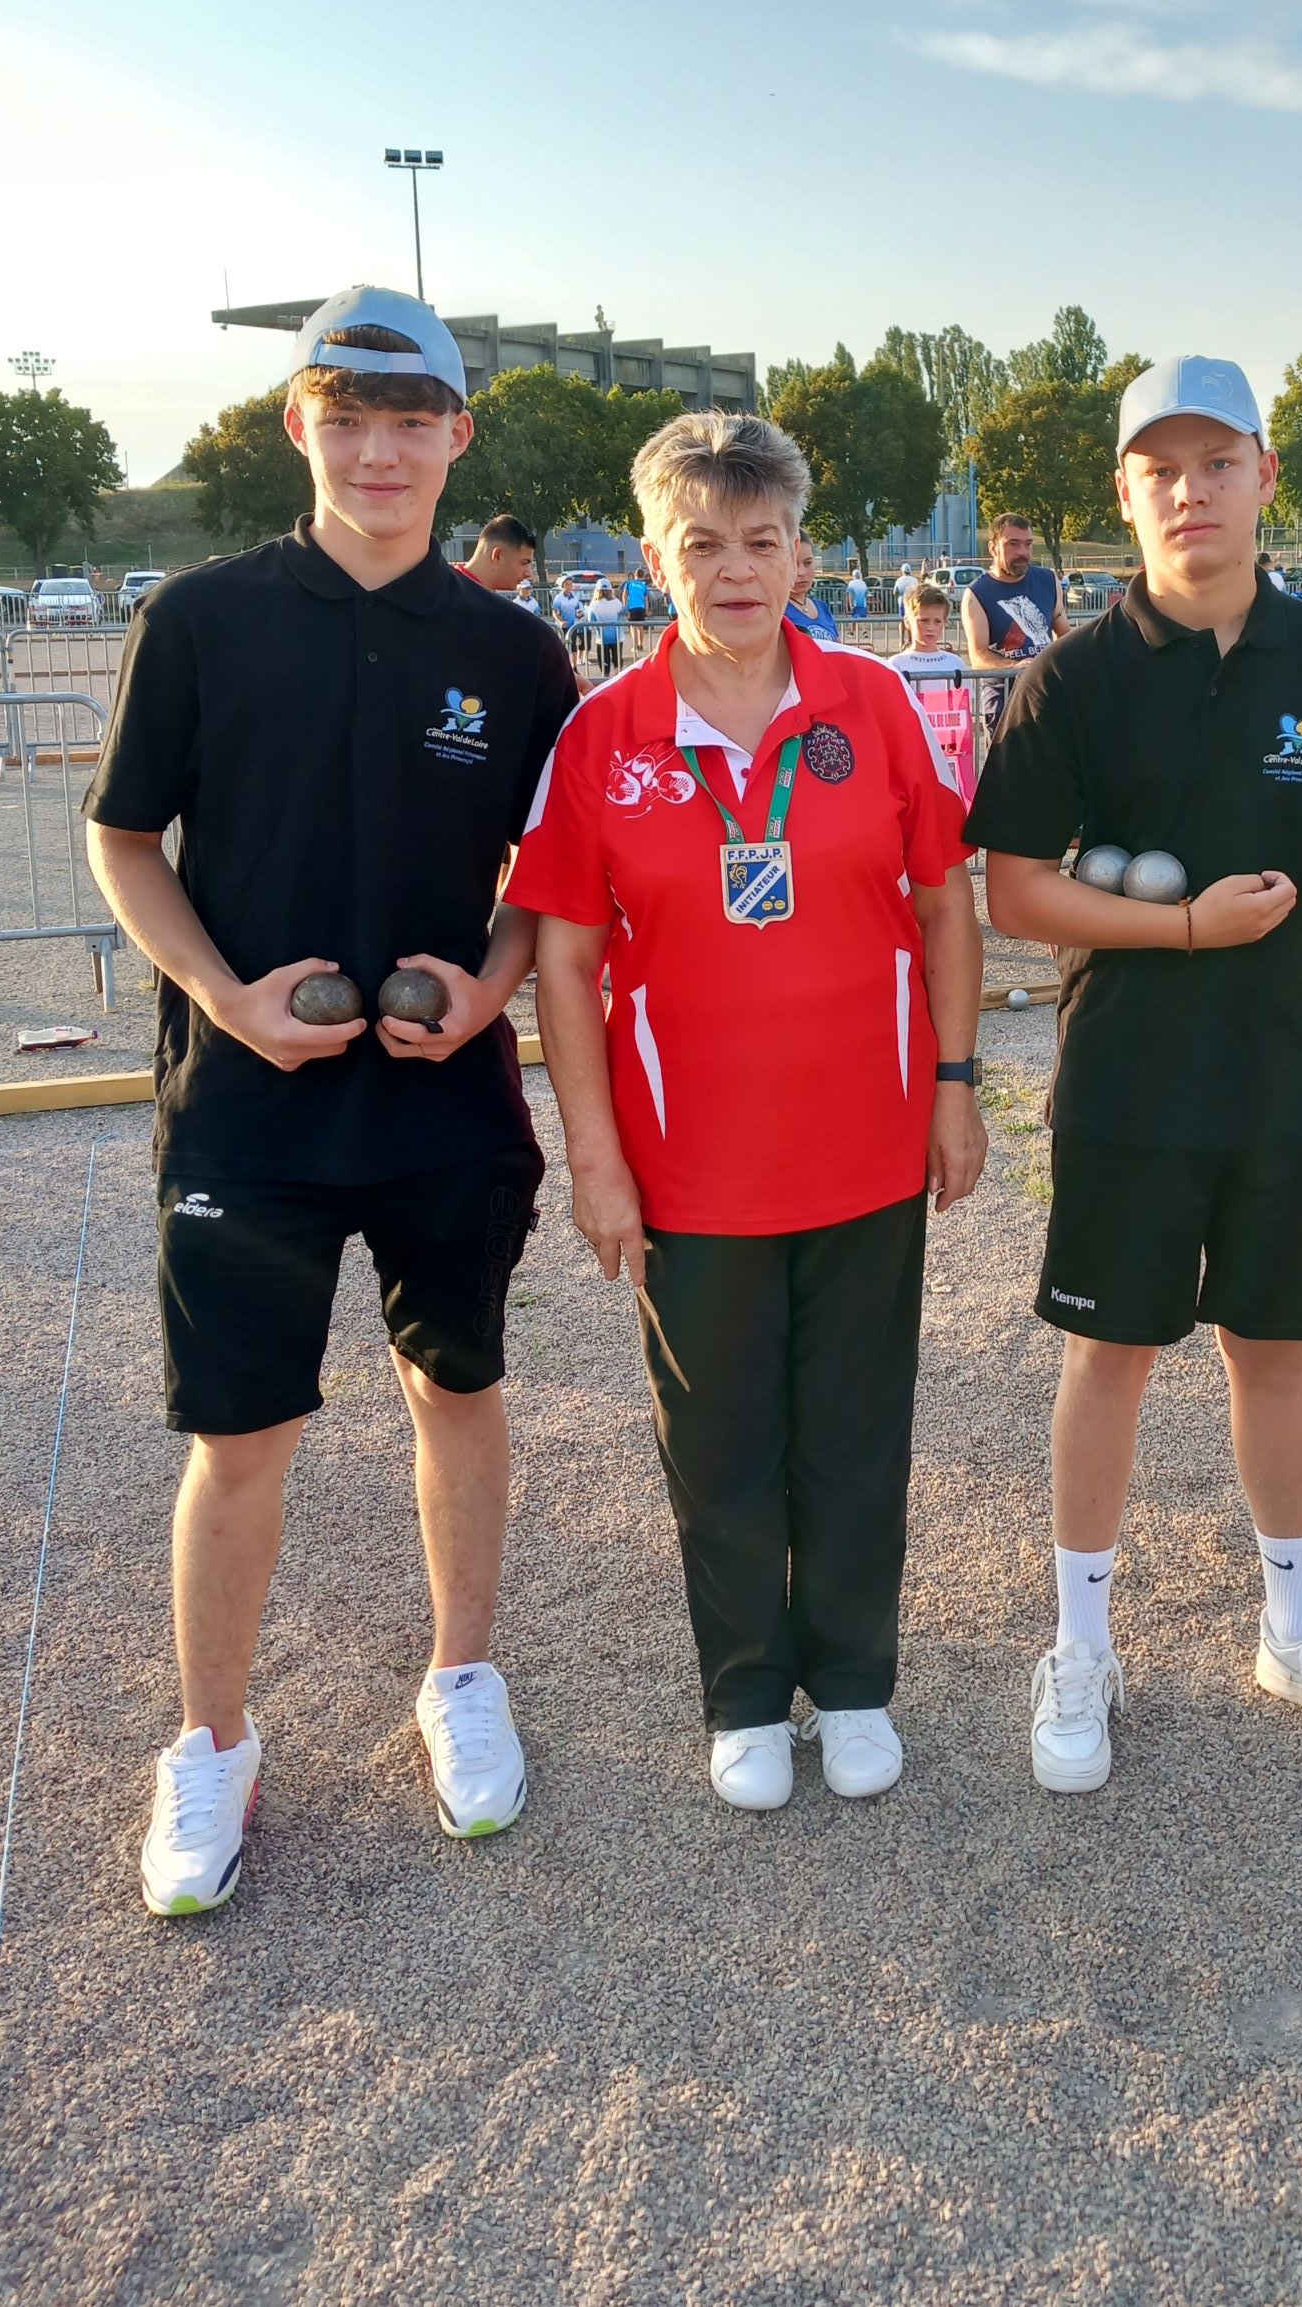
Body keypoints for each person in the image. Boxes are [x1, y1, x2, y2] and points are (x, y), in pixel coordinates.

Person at [82, 284, 577, 1916]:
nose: (379, 449)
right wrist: (226, 998)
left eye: (410, 420)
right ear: (300, 425)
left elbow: (548, 879)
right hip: (251, 1110)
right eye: (345, 418)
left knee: (459, 1395)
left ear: (455, 435)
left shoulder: (512, 650)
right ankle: (213, 1744)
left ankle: (460, 1677)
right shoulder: (204, 618)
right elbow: (126, 840)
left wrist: (494, 991)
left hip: (443, 1108)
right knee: (242, 1439)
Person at [968, 353, 1302, 1796]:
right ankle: (1083, 1644)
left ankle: (1294, 1627)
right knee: (1108, 1354)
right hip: (1126, 1081)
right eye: (1160, 469)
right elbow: (1014, 892)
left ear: (1262, 476)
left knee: (1275, 1350)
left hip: (1291, 1081)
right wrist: (1177, 925)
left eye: (1216, 462)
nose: (1190, 491)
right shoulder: (1076, 675)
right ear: (1124, 492)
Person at [509, 411, 985, 1813]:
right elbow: (565, 956)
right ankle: (743, 1689)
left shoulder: (875, 704)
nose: (734, 568)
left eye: (761, 540)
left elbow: (943, 902)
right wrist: (595, 1157)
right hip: (687, 1165)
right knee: (719, 1440)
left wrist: (956, 1087)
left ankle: (852, 1681)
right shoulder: (602, 738)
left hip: (868, 1144)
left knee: (853, 1426)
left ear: (800, 553)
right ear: (655, 557)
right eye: (702, 541)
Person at [961, 513, 1070, 738]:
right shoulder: (976, 594)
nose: (1022, 552)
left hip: (1047, 693)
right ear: (993, 548)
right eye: (1013, 544)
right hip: (1003, 702)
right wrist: (1016, 667)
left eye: (1028, 544)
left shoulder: (1049, 580)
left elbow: (1064, 634)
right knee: (1008, 772)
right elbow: (978, 655)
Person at [890, 583, 976, 800]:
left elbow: (966, 710)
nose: (930, 628)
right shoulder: (896, 664)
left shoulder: (954, 663)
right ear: (908, 622)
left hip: (949, 754)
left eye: (937, 622)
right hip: (914, 753)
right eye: (923, 620)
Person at [460, 512, 536, 595]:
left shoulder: (479, 596)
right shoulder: (450, 593)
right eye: (524, 563)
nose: (528, 574)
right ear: (497, 556)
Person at [784, 535, 839, 643]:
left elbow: (839, 652)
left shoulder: (822, 607)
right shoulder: (776, 612)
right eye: (793, 564)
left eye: (807, 563)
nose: (801, 572)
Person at [588, 578, 624, 675]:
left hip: (602, 638)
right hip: (617, 637)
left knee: (605, 664)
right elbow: (621, 612)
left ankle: (605, 680)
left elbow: (590, 621)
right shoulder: (616, 602)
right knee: (618, 661)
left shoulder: (594, 605)